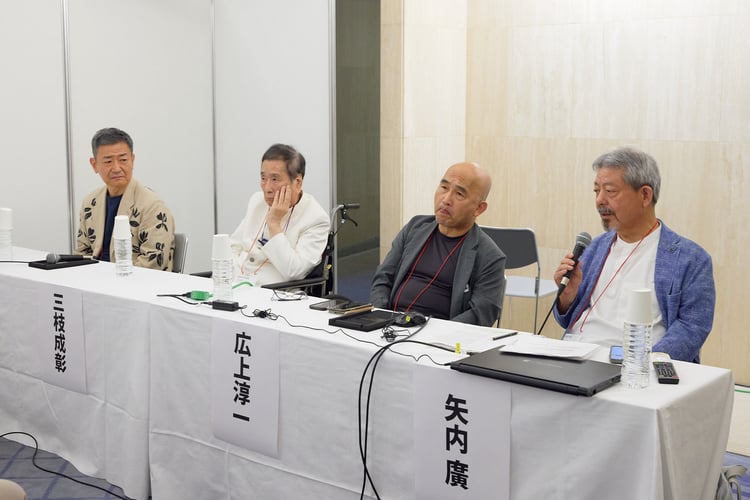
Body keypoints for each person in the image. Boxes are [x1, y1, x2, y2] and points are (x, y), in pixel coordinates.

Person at [553, 146, 715, 362]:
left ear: (645, 195)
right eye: (596, 191)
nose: (600, 200)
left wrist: (643, 362)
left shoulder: (691, 259)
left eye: (610, 191)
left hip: (636, 365)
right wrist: (567, 297)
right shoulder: (595, 247)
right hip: (577, 356)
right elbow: (566, 320)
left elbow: (692, 327)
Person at [370, 162, 506, 327]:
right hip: (389, 326)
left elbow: (481, 313)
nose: (446, 199)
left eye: (459, 194)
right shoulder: (415, 227)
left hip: (439, 336)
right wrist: (381, 317)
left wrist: (436, 333)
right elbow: (383, 278)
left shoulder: (490, 256)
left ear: (479, 208)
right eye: (444, 187)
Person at [75, 128, 175, 271]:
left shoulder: (152, 206)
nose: (116, 168)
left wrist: (109, 279)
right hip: (96, 280)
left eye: (123, 160)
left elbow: (153, 263)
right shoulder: (90, 203)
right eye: (108, 161)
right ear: (94, 164)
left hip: (137, 282)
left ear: (132, 160)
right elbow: (81, 253)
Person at [229, 143, 329, 286]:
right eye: (263, 178)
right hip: (235, 284)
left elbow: (294, 271)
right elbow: (233, 247)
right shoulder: (257, 201)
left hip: (274, 292)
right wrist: (229, 276)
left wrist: (274, 223)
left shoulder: (316, 219)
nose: (267, 188)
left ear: (298, 183)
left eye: (275, 179)